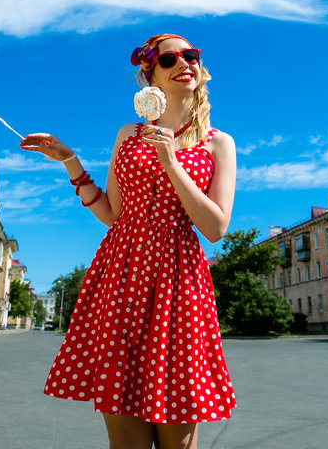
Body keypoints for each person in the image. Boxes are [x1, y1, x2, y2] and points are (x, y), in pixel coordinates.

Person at [20, 33, 237, 449]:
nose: (183, 63)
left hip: (177, 284)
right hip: (121, 278)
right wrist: (70, 161)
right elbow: (113, 215)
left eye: (190, 56)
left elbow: (215, 228)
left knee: (179, 440)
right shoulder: (129, 134)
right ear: (150, 73)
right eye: (170, 59)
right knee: (125, 442)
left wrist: (171, 160)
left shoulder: (217, 143)